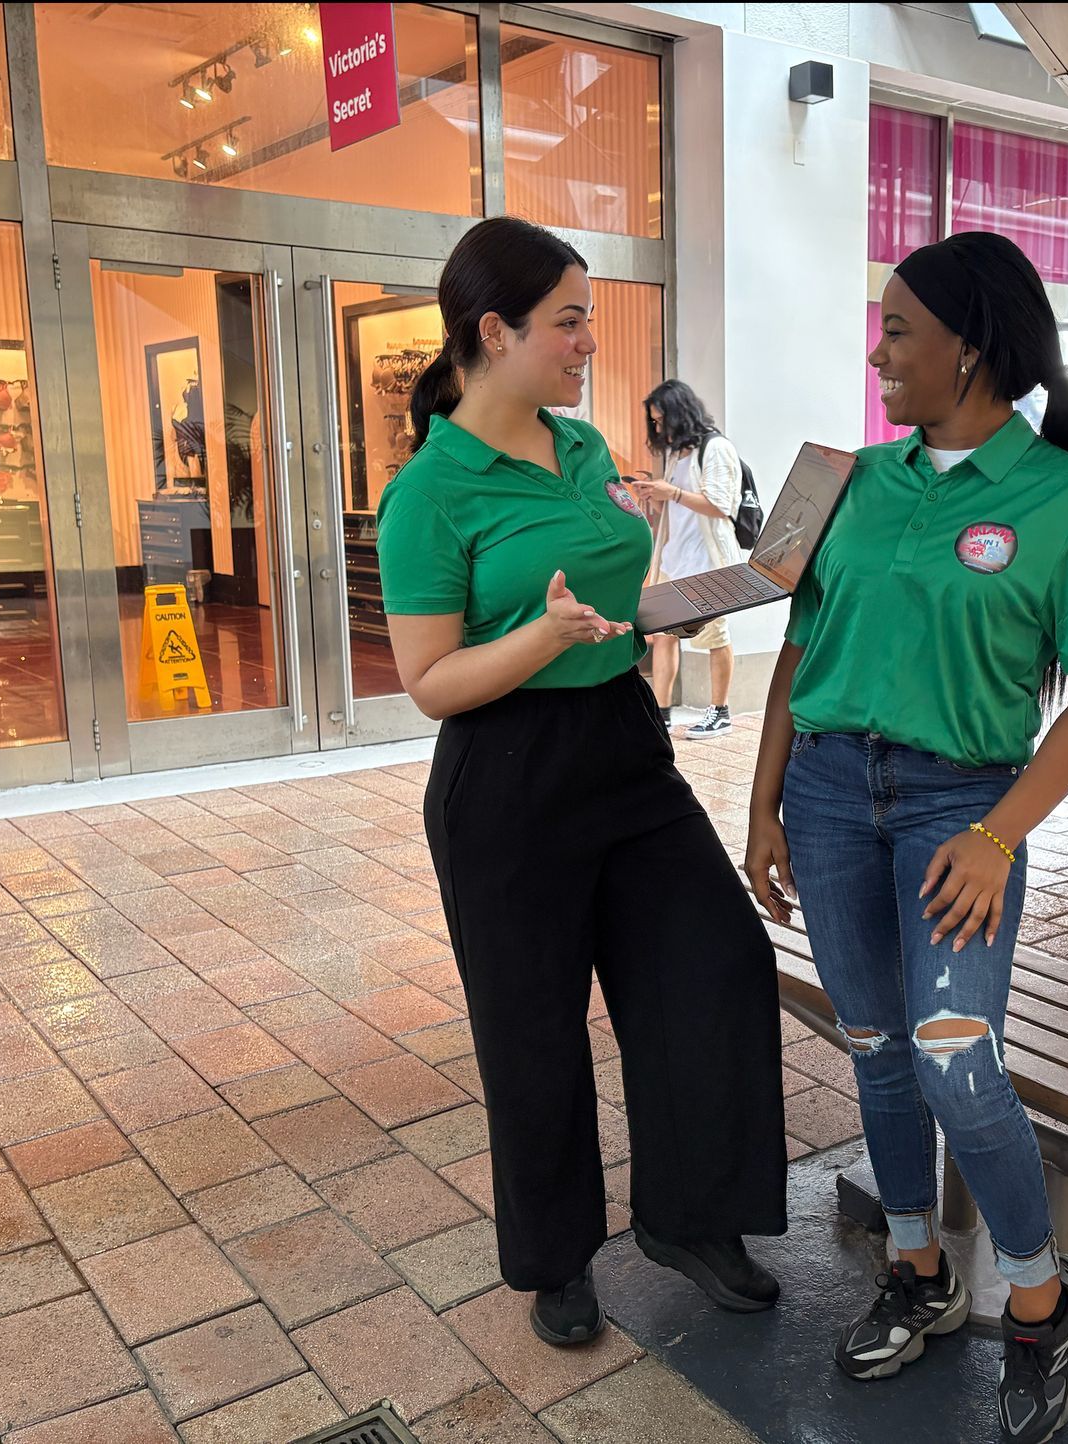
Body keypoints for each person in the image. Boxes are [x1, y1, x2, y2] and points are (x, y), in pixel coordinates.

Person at [745, 230, 1068, 1443]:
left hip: (956, 804)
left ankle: (1035, 1297)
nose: (878, 351)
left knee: (956, 1057)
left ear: (971, 347)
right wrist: (761, 804)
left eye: (899, 329)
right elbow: (799, 653)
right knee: (871, 1043)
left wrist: (998, 836)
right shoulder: (850, 478)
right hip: (825, 790)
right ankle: (916, 1269)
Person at [378, 216, 788, 1347]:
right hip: (506, 769)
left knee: (712, 959)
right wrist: (544, 638)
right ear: (495, 331)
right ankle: (559, 1258)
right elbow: (429, 678)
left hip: (623, 740)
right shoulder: (430, 494)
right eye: (569, 321)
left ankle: (690, 1217)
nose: (589, 341)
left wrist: (673, 594)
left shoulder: (587, 451)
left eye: (588, 319)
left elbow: (613, 589)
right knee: (534, 1026)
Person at [631, 380, 742, 738]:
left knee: (714, 636)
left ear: (680, 413)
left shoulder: (716, 447)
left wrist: (672, 492)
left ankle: (719, 711)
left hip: (706, 564)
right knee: (663, 636)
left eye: (662, 419)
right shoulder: (678, 455)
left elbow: (720, 505)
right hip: (674, 560)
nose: (659, 428)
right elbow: (680, 508)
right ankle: (661, 715)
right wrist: (657, 496)